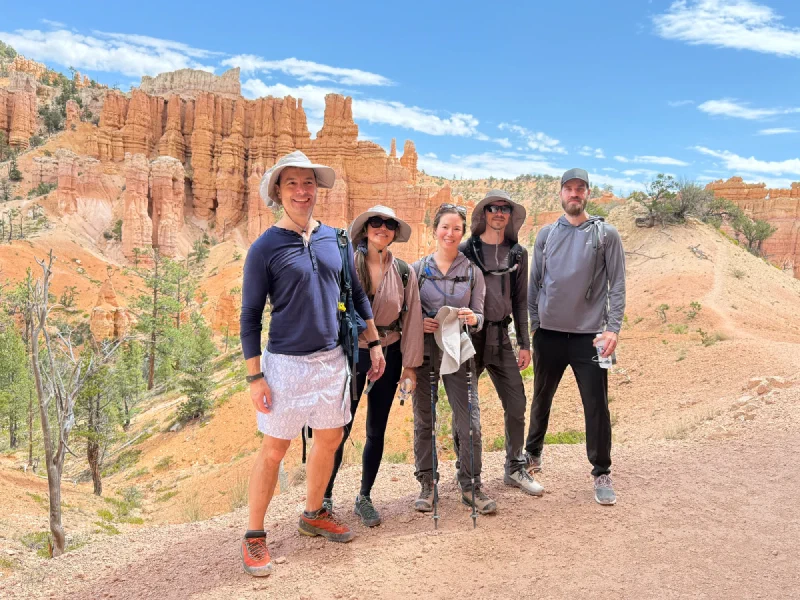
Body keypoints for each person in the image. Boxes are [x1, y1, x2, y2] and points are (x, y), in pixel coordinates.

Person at [238, 151, 386, 577]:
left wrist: (374, 342)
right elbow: (249, 316)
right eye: (292, 183)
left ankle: (313, 513)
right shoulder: (264, 248)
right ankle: (254, 535)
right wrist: (255, 376)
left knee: (330, 438)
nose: (302, 191)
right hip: (285, 364)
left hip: (331, 360)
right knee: (274, 450)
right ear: (278, 191)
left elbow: (356, 296)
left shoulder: (336, 240)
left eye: (308, 183)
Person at [525, 168, 626, 506]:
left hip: (591, 337)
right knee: (541, 398)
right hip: (549, 334)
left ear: (587, 194)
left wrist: (612, 329)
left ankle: (602, 471)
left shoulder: (606, 234)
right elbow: (534, 283)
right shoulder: (546, 235)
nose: (574, 194)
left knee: (596, 405)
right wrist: (536, 325)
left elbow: (617, 284)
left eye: (580, 188)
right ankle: (532, 454)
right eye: (568, 188)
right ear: (560, 193)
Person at [323, 205, 424, 527]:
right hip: (352, 354)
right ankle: (324, 496)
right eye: (376, 222)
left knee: (376, 430)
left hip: (390, 354)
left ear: (394, 233)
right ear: (365, 229)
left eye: (389, 224)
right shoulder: (347, 265)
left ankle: (364, 497)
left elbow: (412, 319)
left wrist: (410, 367)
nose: (383, 228)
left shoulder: (404, 272)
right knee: (339, 428)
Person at [411, 203, 496, 515]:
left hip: (458, 351)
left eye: (456, 228)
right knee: (424, 419)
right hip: (425, 352)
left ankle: (471, 485)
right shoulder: (417, 270)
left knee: (469, 421)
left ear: (462, 233)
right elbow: (407, 313)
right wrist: (419, 322)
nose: (450, 233)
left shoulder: (472, 272)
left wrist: (473, 318)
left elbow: (481, 315)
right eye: (445, 227)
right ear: (435, 230)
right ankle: (427, 484)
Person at [458, 190, 543, 496]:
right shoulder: (467, 250)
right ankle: (466, 470)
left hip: (501, 336)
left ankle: (515, 467)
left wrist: (524, 342)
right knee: (465, 408)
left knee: (516, 402)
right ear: (484, 213)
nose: (499, 212)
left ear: (510, 216)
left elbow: (520, 301)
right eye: (493, 207)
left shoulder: (518, 253)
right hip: (470, 337)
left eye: (505, 209)